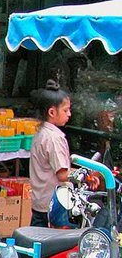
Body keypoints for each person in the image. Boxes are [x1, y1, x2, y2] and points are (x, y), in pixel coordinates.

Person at [29, 80, 98, 228]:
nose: (69, 114)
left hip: (40, 201)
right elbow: (62, 174)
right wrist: (86, 174)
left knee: (36, 240)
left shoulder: (41, 132)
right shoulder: (55, 138)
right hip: (53, 204)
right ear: (52, 112)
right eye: (66, 110)